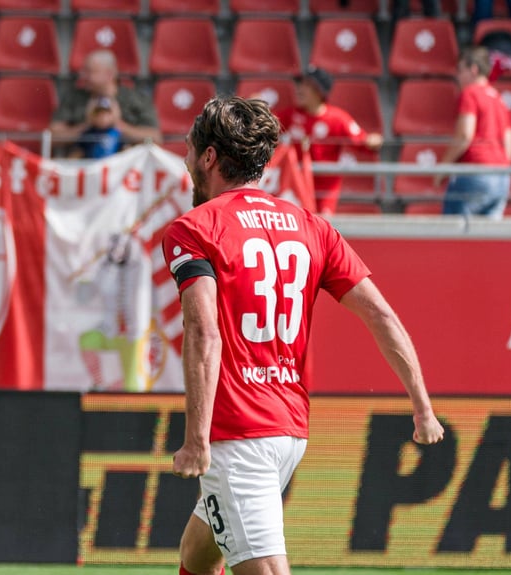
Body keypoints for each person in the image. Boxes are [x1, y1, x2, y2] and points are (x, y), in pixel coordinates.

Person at [162, 96, 445, 575]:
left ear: (209, 157)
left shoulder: (195, 228)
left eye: (190, 151)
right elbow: (382, 316)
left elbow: (204, 331)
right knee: (199, 553)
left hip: (238, 436)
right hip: (289, 431)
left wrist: (196, 439)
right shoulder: (311, 226)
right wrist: (422, 405)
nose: (187, 161)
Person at [273, 66, 383, 215]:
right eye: (300, 84)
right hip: (297, 186)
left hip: (324, 190)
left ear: (320, 91)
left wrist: (374, 140)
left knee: (322, 227)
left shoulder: (337, 118)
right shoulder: (291, 115)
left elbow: (363, 141)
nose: (299, 89)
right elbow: (267, 125)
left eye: (306, 85)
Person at [433, 46, 511, 219]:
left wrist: (442, 169)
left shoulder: (470, 93)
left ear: (473, 69)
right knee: (487, 242)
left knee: (455, 237)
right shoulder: (499, 99)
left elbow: (464, 136)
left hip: (475, 174)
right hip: (501, 179)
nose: (457, 76)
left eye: (460, 70)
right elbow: (509, 142)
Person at [49, 49, 161, 158]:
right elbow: (52, 139)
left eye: (89, 71)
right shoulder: (73, 98)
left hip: (124, 168)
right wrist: (88, 126)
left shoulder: (137, 100)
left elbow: (154, 140)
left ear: (109, 74)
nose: (83, 75)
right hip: (82, 167)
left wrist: (119, 126)